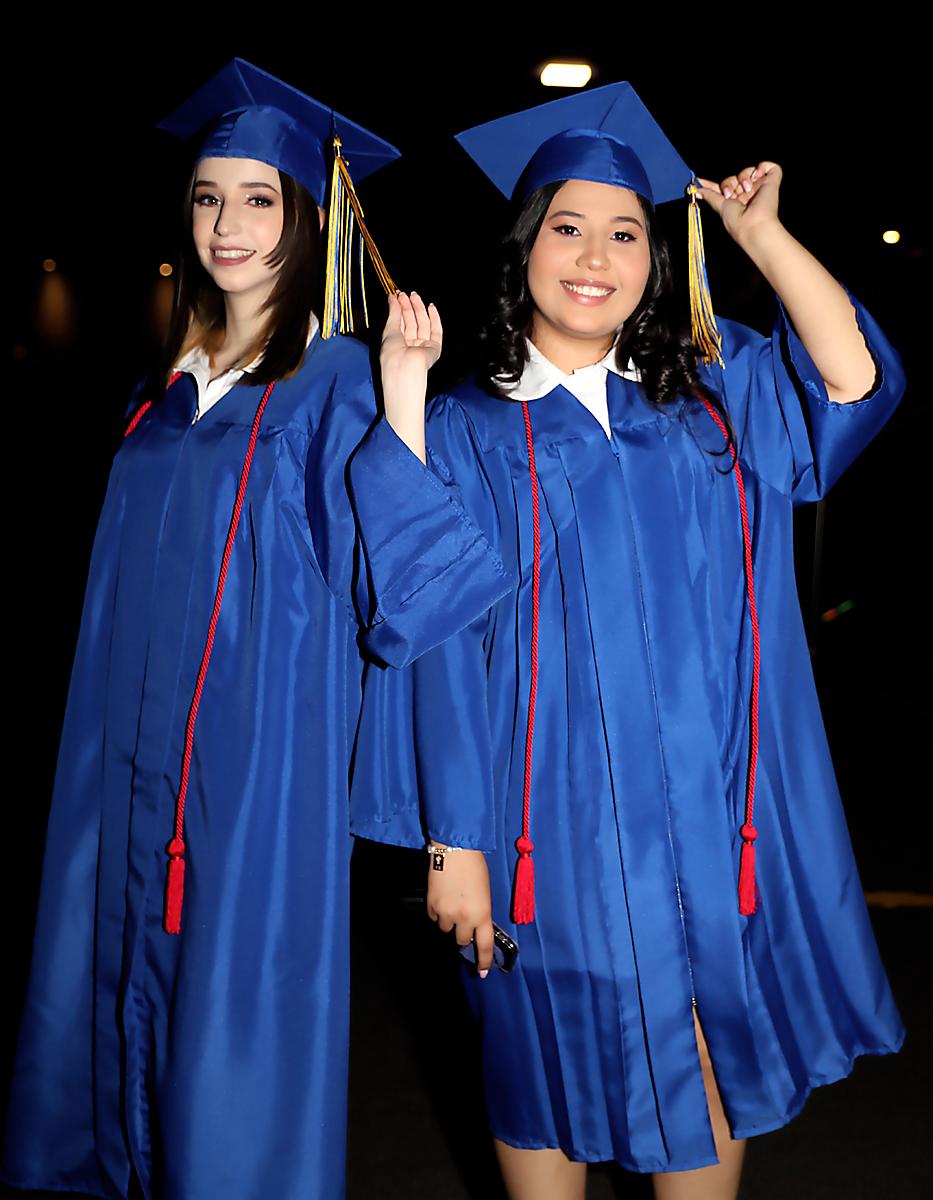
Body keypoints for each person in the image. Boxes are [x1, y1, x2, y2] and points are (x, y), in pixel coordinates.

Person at [349, 82, 906, 1200]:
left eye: (626, 232)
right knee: (533, 1060)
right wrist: (452, 843)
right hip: (532, 822)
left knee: (703, 1036)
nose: (596, 255)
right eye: (568, 227)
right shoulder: (466, 427)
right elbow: (432, 637)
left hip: (705, 810)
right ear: (524, 249)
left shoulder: (705, 405)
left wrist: (761, 234)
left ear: (659, 259)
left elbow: (852, 382)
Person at [1, 60, 509, 1200]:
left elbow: (419, 595)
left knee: (233, 1090)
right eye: (207, 196)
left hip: (254, 801)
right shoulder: (157, 395)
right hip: (114, 789)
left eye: (260, 198)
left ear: (308, 217)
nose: (227, 225)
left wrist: (454, 832)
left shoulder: (338, 389)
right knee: (107, 1056)